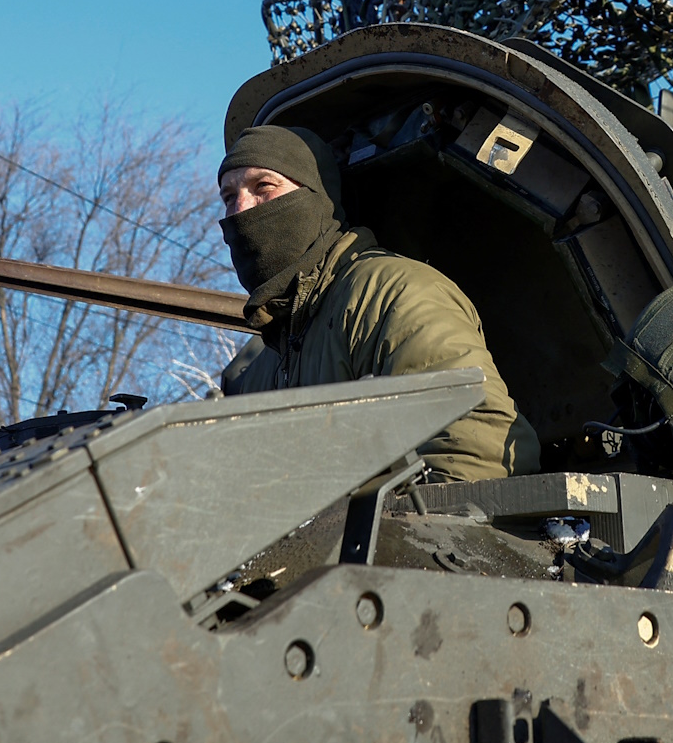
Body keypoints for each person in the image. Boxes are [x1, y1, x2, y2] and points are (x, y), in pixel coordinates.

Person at [214, 124, 540, 482]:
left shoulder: (392, 293)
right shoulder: (255, 366)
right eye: (229, 197)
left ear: (316, 197)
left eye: (263, 187)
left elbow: (476, 452)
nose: (240, 211)